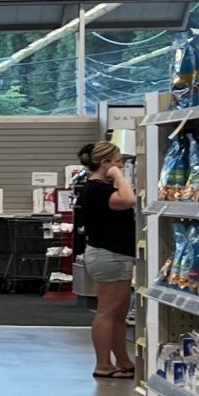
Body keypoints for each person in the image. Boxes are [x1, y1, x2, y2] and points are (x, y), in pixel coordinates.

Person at [73, 139, 138, 380]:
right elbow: (129, 200)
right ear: (105, 163)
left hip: (113, 255)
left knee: (118, 313)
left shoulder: (97, 188)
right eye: (118, 162)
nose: (121, 165)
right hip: (109, 255)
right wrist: (118, 176)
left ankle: (122, 360)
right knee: (107, 312)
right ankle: (102, 364)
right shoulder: (98, 189)